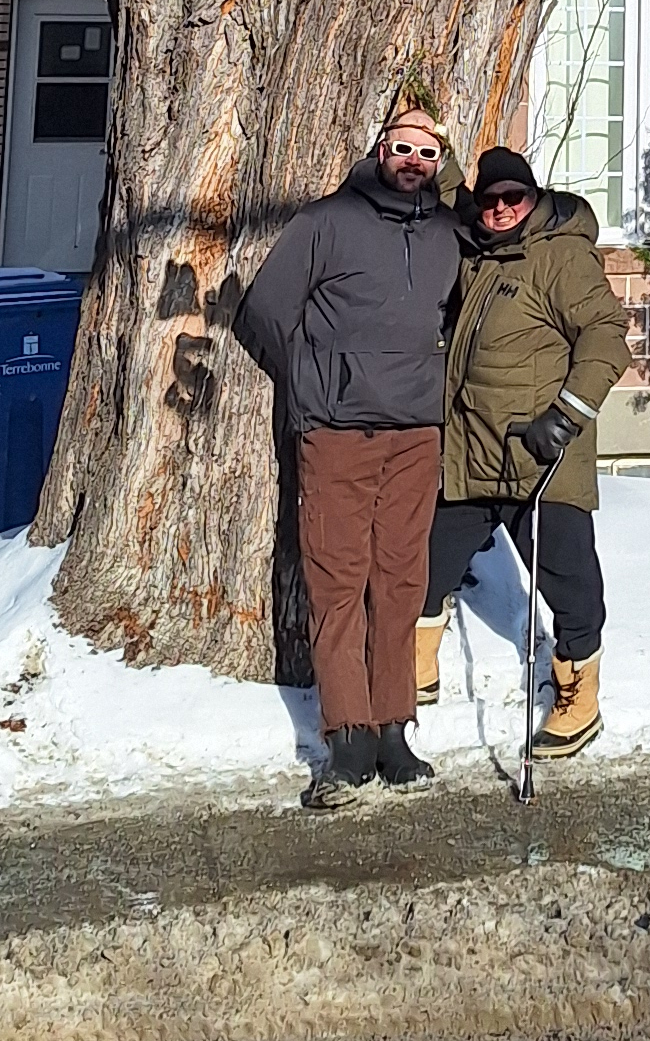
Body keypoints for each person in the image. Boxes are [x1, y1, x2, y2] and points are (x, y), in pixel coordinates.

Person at [235, 109, 461, 808]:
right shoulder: (325, 222)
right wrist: (314, 382)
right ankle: (348, 735)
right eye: (403, 148)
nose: (413, 160)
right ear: (380, 151)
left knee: (401, 581)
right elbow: (263, 311)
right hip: (336, 431)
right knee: (339, 580)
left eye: (427, 151)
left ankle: (393, 727)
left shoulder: (451, 234)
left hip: (415, 434)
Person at [419, 147, 632, 758]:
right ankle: (418, 673)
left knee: (567, 581)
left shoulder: (561, 256)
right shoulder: (482, 247)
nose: (502, 208)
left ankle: (578, 696)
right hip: (475, 455)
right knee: (429, 566)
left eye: (515, 197)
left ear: (534, 198)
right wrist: (443, 158)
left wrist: (566, 416)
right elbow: (462, 201)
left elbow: (607, 337)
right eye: (492, 200)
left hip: (542, 458)